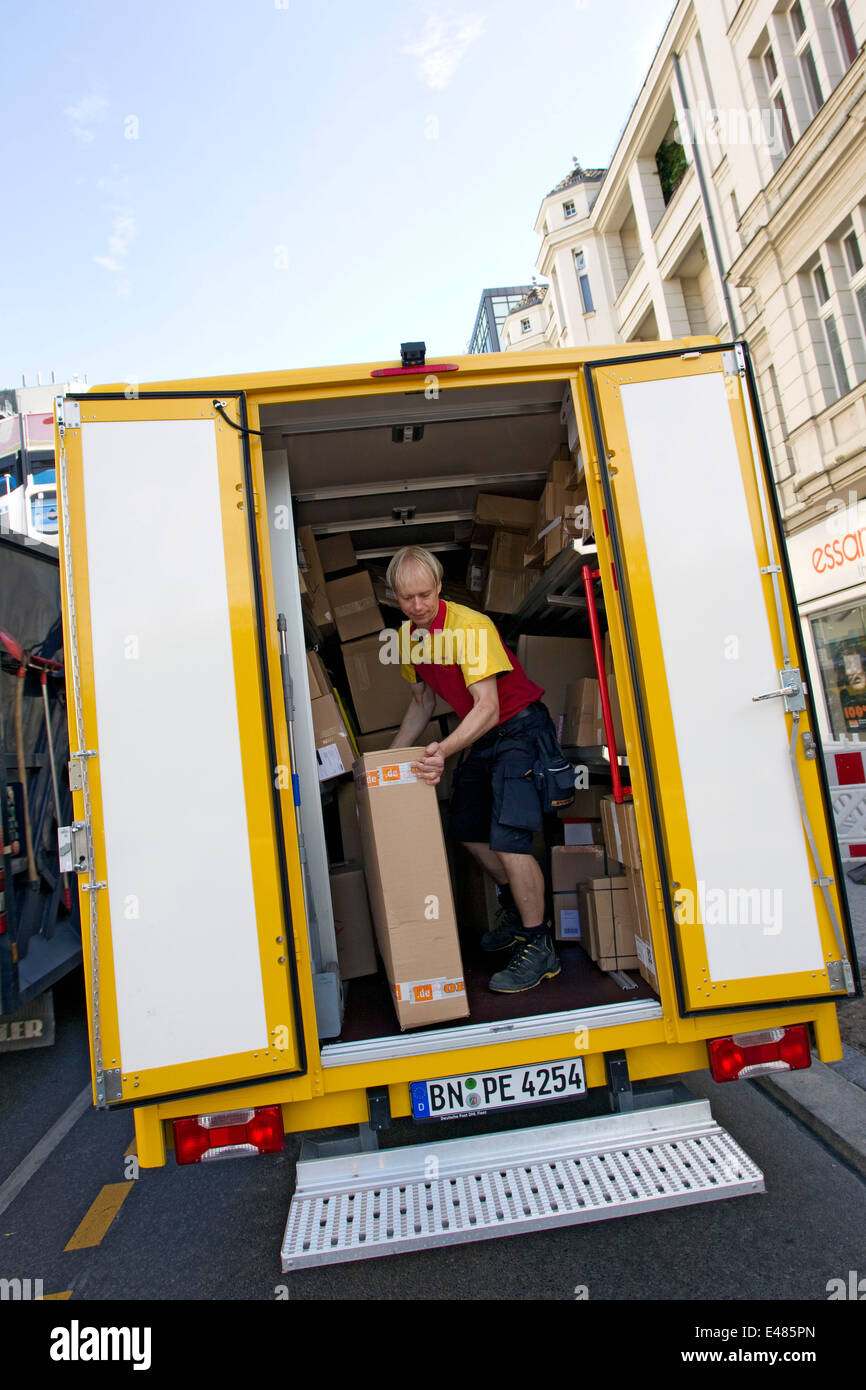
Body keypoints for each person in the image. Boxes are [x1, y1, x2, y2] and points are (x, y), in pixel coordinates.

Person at [387, 543, 561, 993]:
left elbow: (487, 706)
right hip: (484, 735)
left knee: (508, 840)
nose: (418, 606)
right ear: (395, 597)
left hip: (518, 728)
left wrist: (441, 751)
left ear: (440, 588)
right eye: (408, 598)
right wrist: (385, 761)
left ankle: (539, 945)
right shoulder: (408, 639)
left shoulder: (471, 627)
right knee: (467, 828)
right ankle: (515, 906)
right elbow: (421, 702)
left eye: (425, 594)